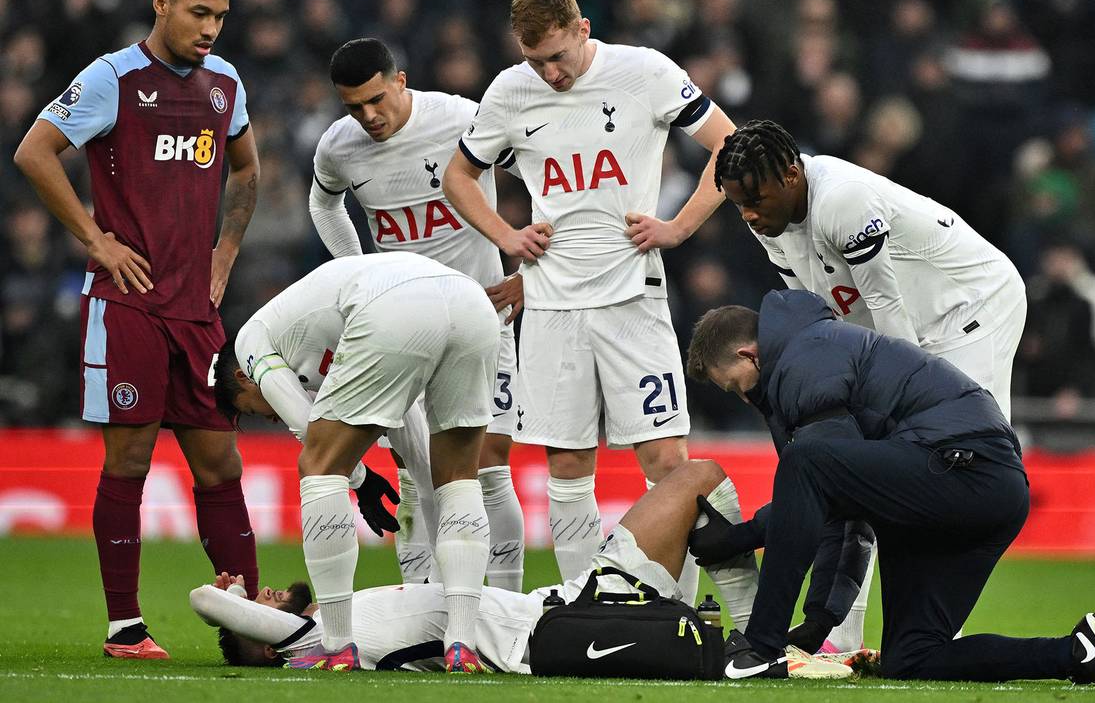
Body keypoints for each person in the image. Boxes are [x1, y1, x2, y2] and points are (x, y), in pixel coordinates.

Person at [442, 0, 738, 601]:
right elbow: (459, 176)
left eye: (558, 55)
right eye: (535, 61)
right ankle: (581, 606)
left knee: (666, 463)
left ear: (583, 30)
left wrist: (679, 226)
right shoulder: (508, 92)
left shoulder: (646, 72)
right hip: (550, 306)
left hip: (634, 297)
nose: (549, 73)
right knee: (569, 466)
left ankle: (675, 610)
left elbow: (729, 145)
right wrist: (507, 235)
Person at [12, 0, 261, 660]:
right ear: (162, 3)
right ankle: (125, 625)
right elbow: (33, 150)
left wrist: (225, 252)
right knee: (130, 460)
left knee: (222, 465)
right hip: (128, 306)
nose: (211, 28)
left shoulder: (225, 85)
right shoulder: (113, 77)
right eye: (198, 12)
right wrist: (96, 239)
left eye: (220, 14)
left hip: (196, 312)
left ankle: (247, 621)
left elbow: (246, 172)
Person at [685, 290, 1095, 687]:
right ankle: (1075, 653)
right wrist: (819, 621)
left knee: (807, 463)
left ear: (749, 356)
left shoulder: (805, 356)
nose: (743, 398)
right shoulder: (813, 352)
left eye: (735, 386)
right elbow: (844, 495)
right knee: (914, 657)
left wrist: (741, 537)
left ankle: (761, 648)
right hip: (972, 489)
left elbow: (825, 479)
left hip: (966, 471)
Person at [713, 118, 1027, 655]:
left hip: (968, 309)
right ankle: (842, 635)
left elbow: (887, 312)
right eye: (738, 204)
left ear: (792, 175)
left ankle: (928, 628)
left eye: (756, 200)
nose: (748, 215)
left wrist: (884, 406)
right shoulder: (767, 216)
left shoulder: (845, 203)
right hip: (901, 326)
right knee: (857, 461)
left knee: (949, 462)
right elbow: (821, 321)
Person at [189, 459, 776, 676]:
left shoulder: (337, 616)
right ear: (267, 645)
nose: (262, 591)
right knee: (718, 653)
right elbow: (203, 600)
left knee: (700, 478)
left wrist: (242, 602)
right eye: (258, 608)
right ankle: (766, 643)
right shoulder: (314, 644)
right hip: (550, 633)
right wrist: (233, 597)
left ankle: (760, 631)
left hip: (566, 598)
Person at [307, 37, 525, 592]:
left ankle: (501, 606)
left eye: (377, 99)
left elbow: (546, 177)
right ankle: (422, 604)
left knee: (486, 466)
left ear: (401, 81)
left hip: (481, 317)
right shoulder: (339, 147)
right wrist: (359, 274)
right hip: (403, 331)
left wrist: (532, 277)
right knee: (413, 474)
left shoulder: (461, 119)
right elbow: (323, 201)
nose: (369, 116)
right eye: (354, 107)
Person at [212, 252, 498, 672]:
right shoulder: (325, 350)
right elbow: (410, 444)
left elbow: (302, 421)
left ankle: (338, 644)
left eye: (254, 410)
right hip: (470, 305)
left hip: (396, 306)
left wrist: (359, 477)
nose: (267, 416)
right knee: (452, 479)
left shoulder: (251, 341)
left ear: (243, 378)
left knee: (318, 470)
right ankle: (461, 641)